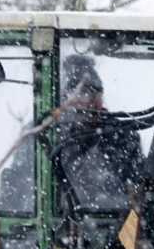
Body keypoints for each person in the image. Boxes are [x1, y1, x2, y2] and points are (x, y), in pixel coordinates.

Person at [56, 54, 144, 211]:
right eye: (81, 93)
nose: (88, 102)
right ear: (65, 98)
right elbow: (21, 188)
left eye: (95, 93)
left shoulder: (122, 135)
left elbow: (139, 192)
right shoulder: (46, 135)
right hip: (62, 220)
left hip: (112, 219)